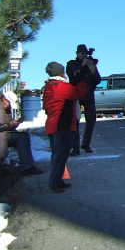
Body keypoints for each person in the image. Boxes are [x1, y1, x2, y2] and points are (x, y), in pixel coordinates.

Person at [42, 62, 88, 193]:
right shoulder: (61, 87)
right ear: (61, 73)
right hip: (61, 125)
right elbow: (78, 93)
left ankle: (57, 180)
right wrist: (80, 81)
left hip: (52, 125)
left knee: (57, 154)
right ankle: (55, 182)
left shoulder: (49, 86)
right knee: (60, 155)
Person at [0, 90, 42, 175]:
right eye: (9, 104)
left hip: (0, 134)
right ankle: (27, 166)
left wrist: (14, 124)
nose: (9, 107)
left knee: (24, 135)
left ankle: (27, 164)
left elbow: (6, 125)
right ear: (4, 100)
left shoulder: (2, 109)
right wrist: (9, 124)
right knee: (21, 137)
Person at [66, 44, 101, 155]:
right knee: (74, 121)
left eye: (85, 53)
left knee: (91, 120)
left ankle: (86, 144)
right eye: (82, 53)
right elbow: (71, 75)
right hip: (76, 95)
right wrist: (82, 65)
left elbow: (97, 80)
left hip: (88, 95)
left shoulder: (91, 64)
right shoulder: (71, 63)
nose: (84, 55)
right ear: (77, 53)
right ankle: (75, 147)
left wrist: (92, 68)